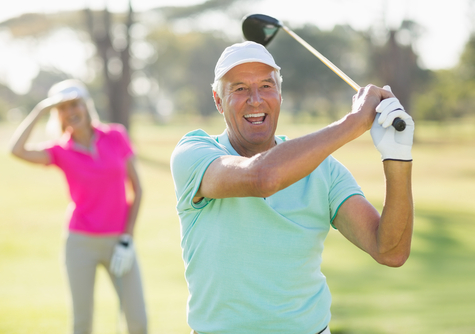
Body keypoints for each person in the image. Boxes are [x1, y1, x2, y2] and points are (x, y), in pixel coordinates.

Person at [171, 41, 414, 334]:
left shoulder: (323, 168)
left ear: (280, 95)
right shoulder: (194, 153)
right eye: (239, 89)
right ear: (218, 100)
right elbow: (263, 178)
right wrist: (354, 122)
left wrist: (397, 158)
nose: (256, 99)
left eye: (266, 85)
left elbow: (390, 250)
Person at [9, 79, 148, 334]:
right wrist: (40, 109)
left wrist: (128, 237)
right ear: (56, 114)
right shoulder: (60, 150)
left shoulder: (116, 135)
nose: (70, 111)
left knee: (137, 321)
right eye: (62, 107)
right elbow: (16, 150)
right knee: (82, 323)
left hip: (119, 240)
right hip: (80, 242)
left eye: (75, 104)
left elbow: (137, 189)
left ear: (86, 105)